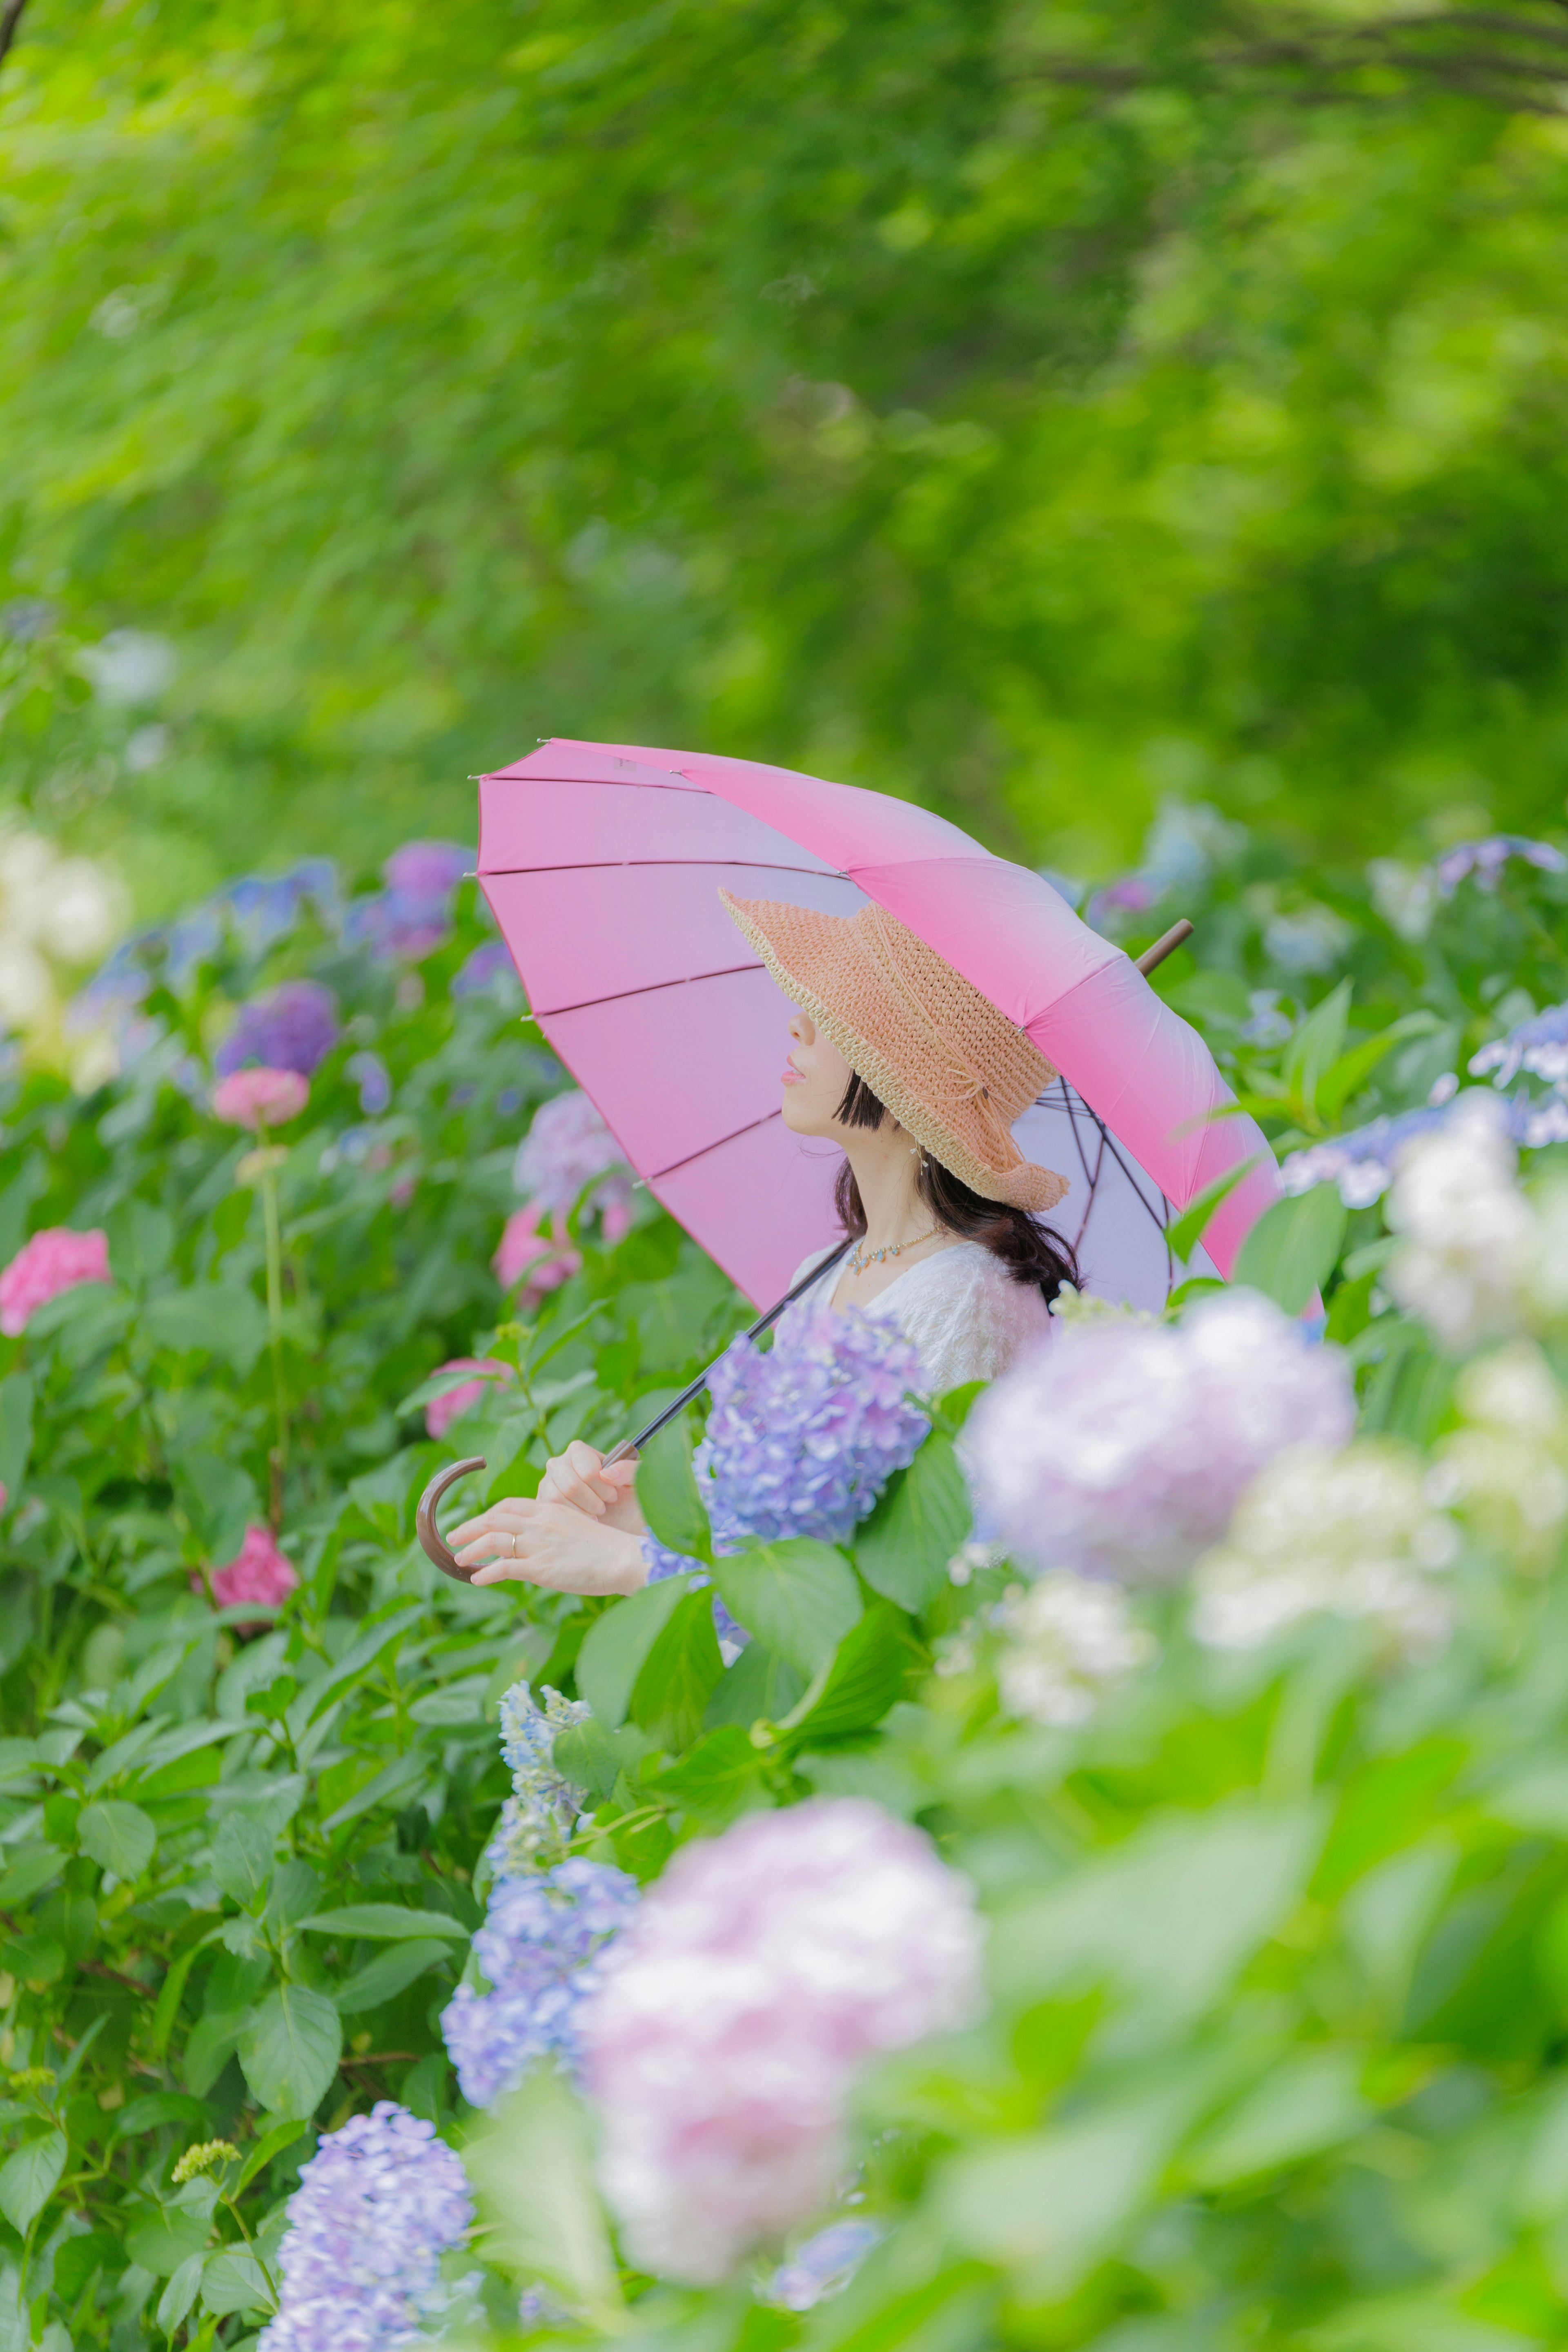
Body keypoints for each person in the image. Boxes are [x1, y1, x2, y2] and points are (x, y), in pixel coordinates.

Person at [450, 894, 1078, 1593]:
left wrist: (627, 1565)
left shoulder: (966, 1298)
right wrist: (639, 1516)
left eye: (838, 1019)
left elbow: (912, 1577)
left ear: (909, 1083)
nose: (799, 1024)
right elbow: (786, 1533)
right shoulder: (826, 1272)